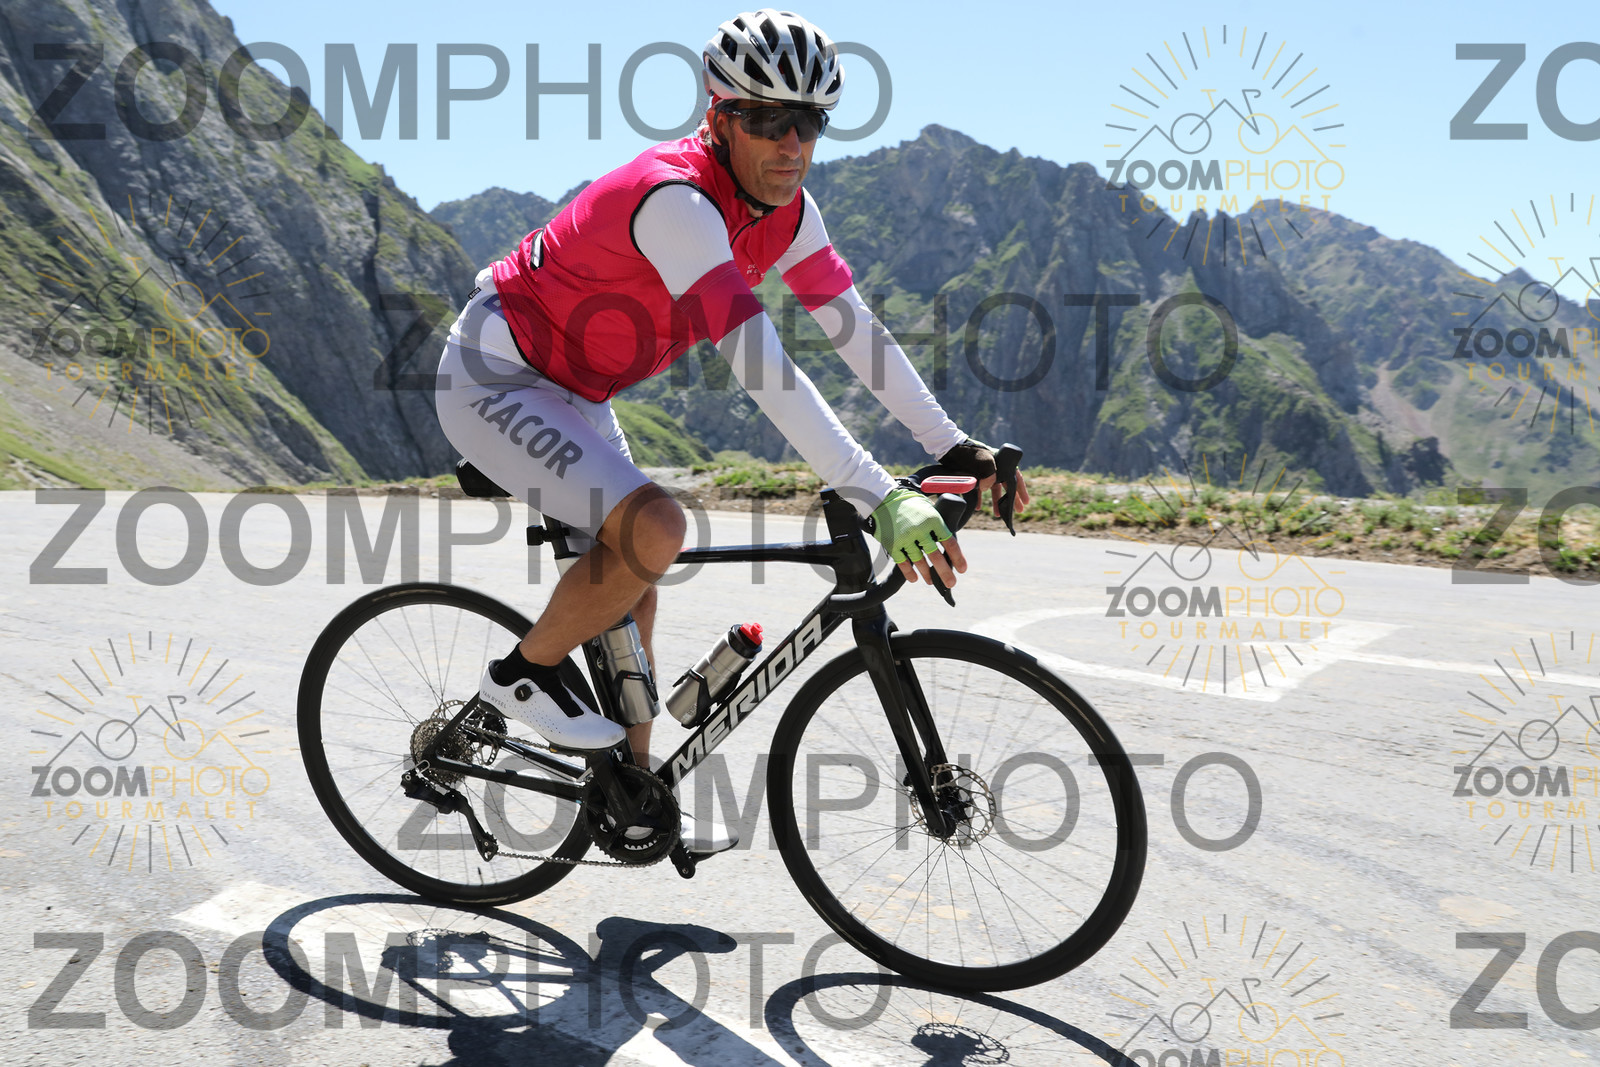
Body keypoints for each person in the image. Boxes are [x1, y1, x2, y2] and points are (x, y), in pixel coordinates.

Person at [433, 8, 1027, 857]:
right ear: (720, 118)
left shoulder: (789, 211)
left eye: (809, 122)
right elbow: (763, 367)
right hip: (496, 376)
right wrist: (878, 493)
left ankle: (632, 800)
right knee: (657, 528)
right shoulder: (677, 201)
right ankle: (523, 677)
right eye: (767, 120)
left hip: (577, 390)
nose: (792, 144)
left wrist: (951, 444)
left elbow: (856, 332)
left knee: (633, 585)